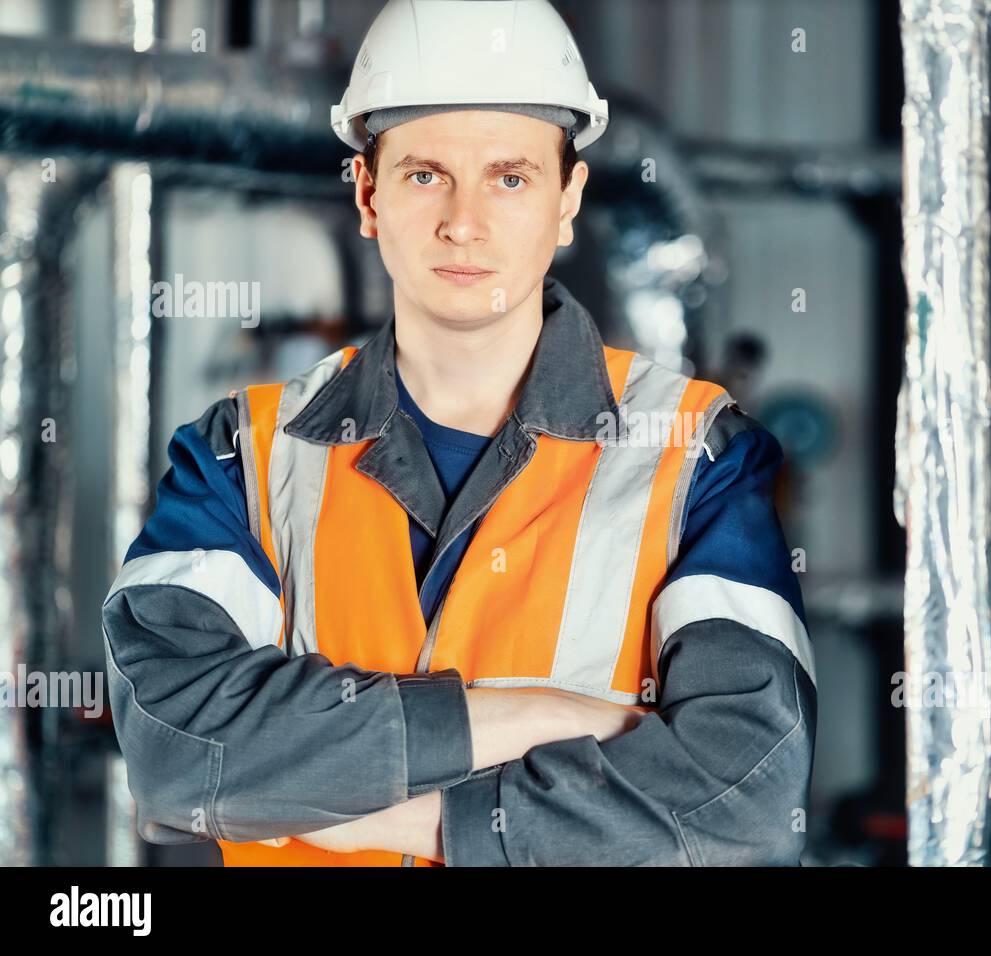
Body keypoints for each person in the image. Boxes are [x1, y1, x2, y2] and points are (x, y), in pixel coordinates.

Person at [102, 0, 816, 867]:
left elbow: (744, 804)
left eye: (510, 178)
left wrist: (394, 814)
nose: (464, 221)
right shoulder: (241, 456)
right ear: (368, 193)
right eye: (424, 174)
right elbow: (177, 756)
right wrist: (542, 718)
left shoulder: (698, 455)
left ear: (567, 199)